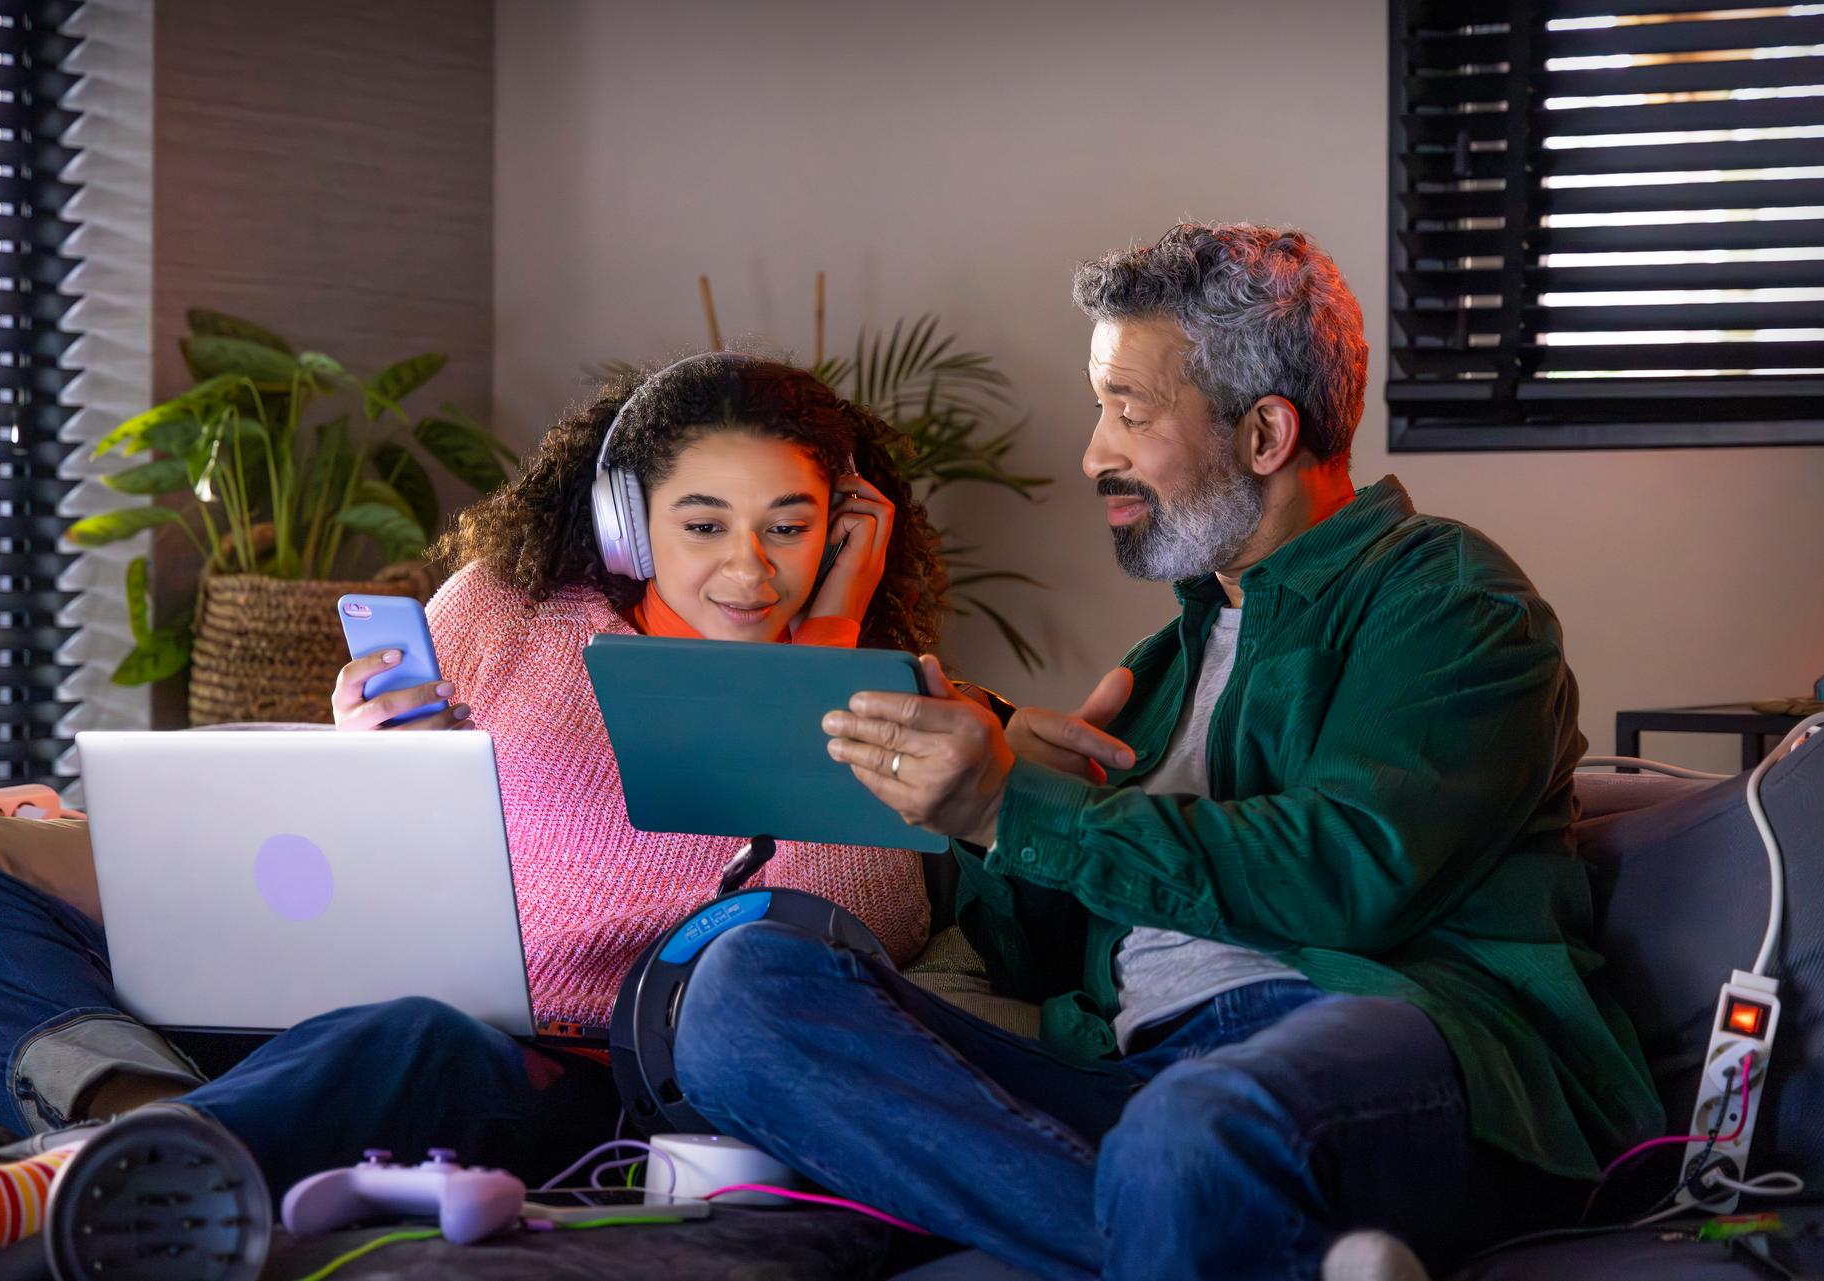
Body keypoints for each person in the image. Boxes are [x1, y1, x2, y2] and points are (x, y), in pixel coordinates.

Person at [668, 226, 1666, 1281]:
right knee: (738, 996)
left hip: (1389, 1040)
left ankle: (1191, 1218)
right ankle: (1231, 1246)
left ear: (1266, 434)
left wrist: (1018, 810)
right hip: (1131, 1070)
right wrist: (1000, 794)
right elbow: (1032, 956)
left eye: (1128, 413)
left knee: (1191, 1130)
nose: (1095, 453)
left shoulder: (1449, 599)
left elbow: (1349, 871)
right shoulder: (1165, 667)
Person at [0, 353, 938, 1275]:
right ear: (627, 523)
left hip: (542, 1072)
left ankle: (33, 1194)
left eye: (790, 528)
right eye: (705, 523)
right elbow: (342, 850)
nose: (749, 568)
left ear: (843, 530)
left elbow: (862, 915)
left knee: (410, 1037)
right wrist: (367, 762)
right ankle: (150, 1131)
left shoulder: (884, 693)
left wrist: (826, 646)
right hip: (328, 1013)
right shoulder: (504, 609)